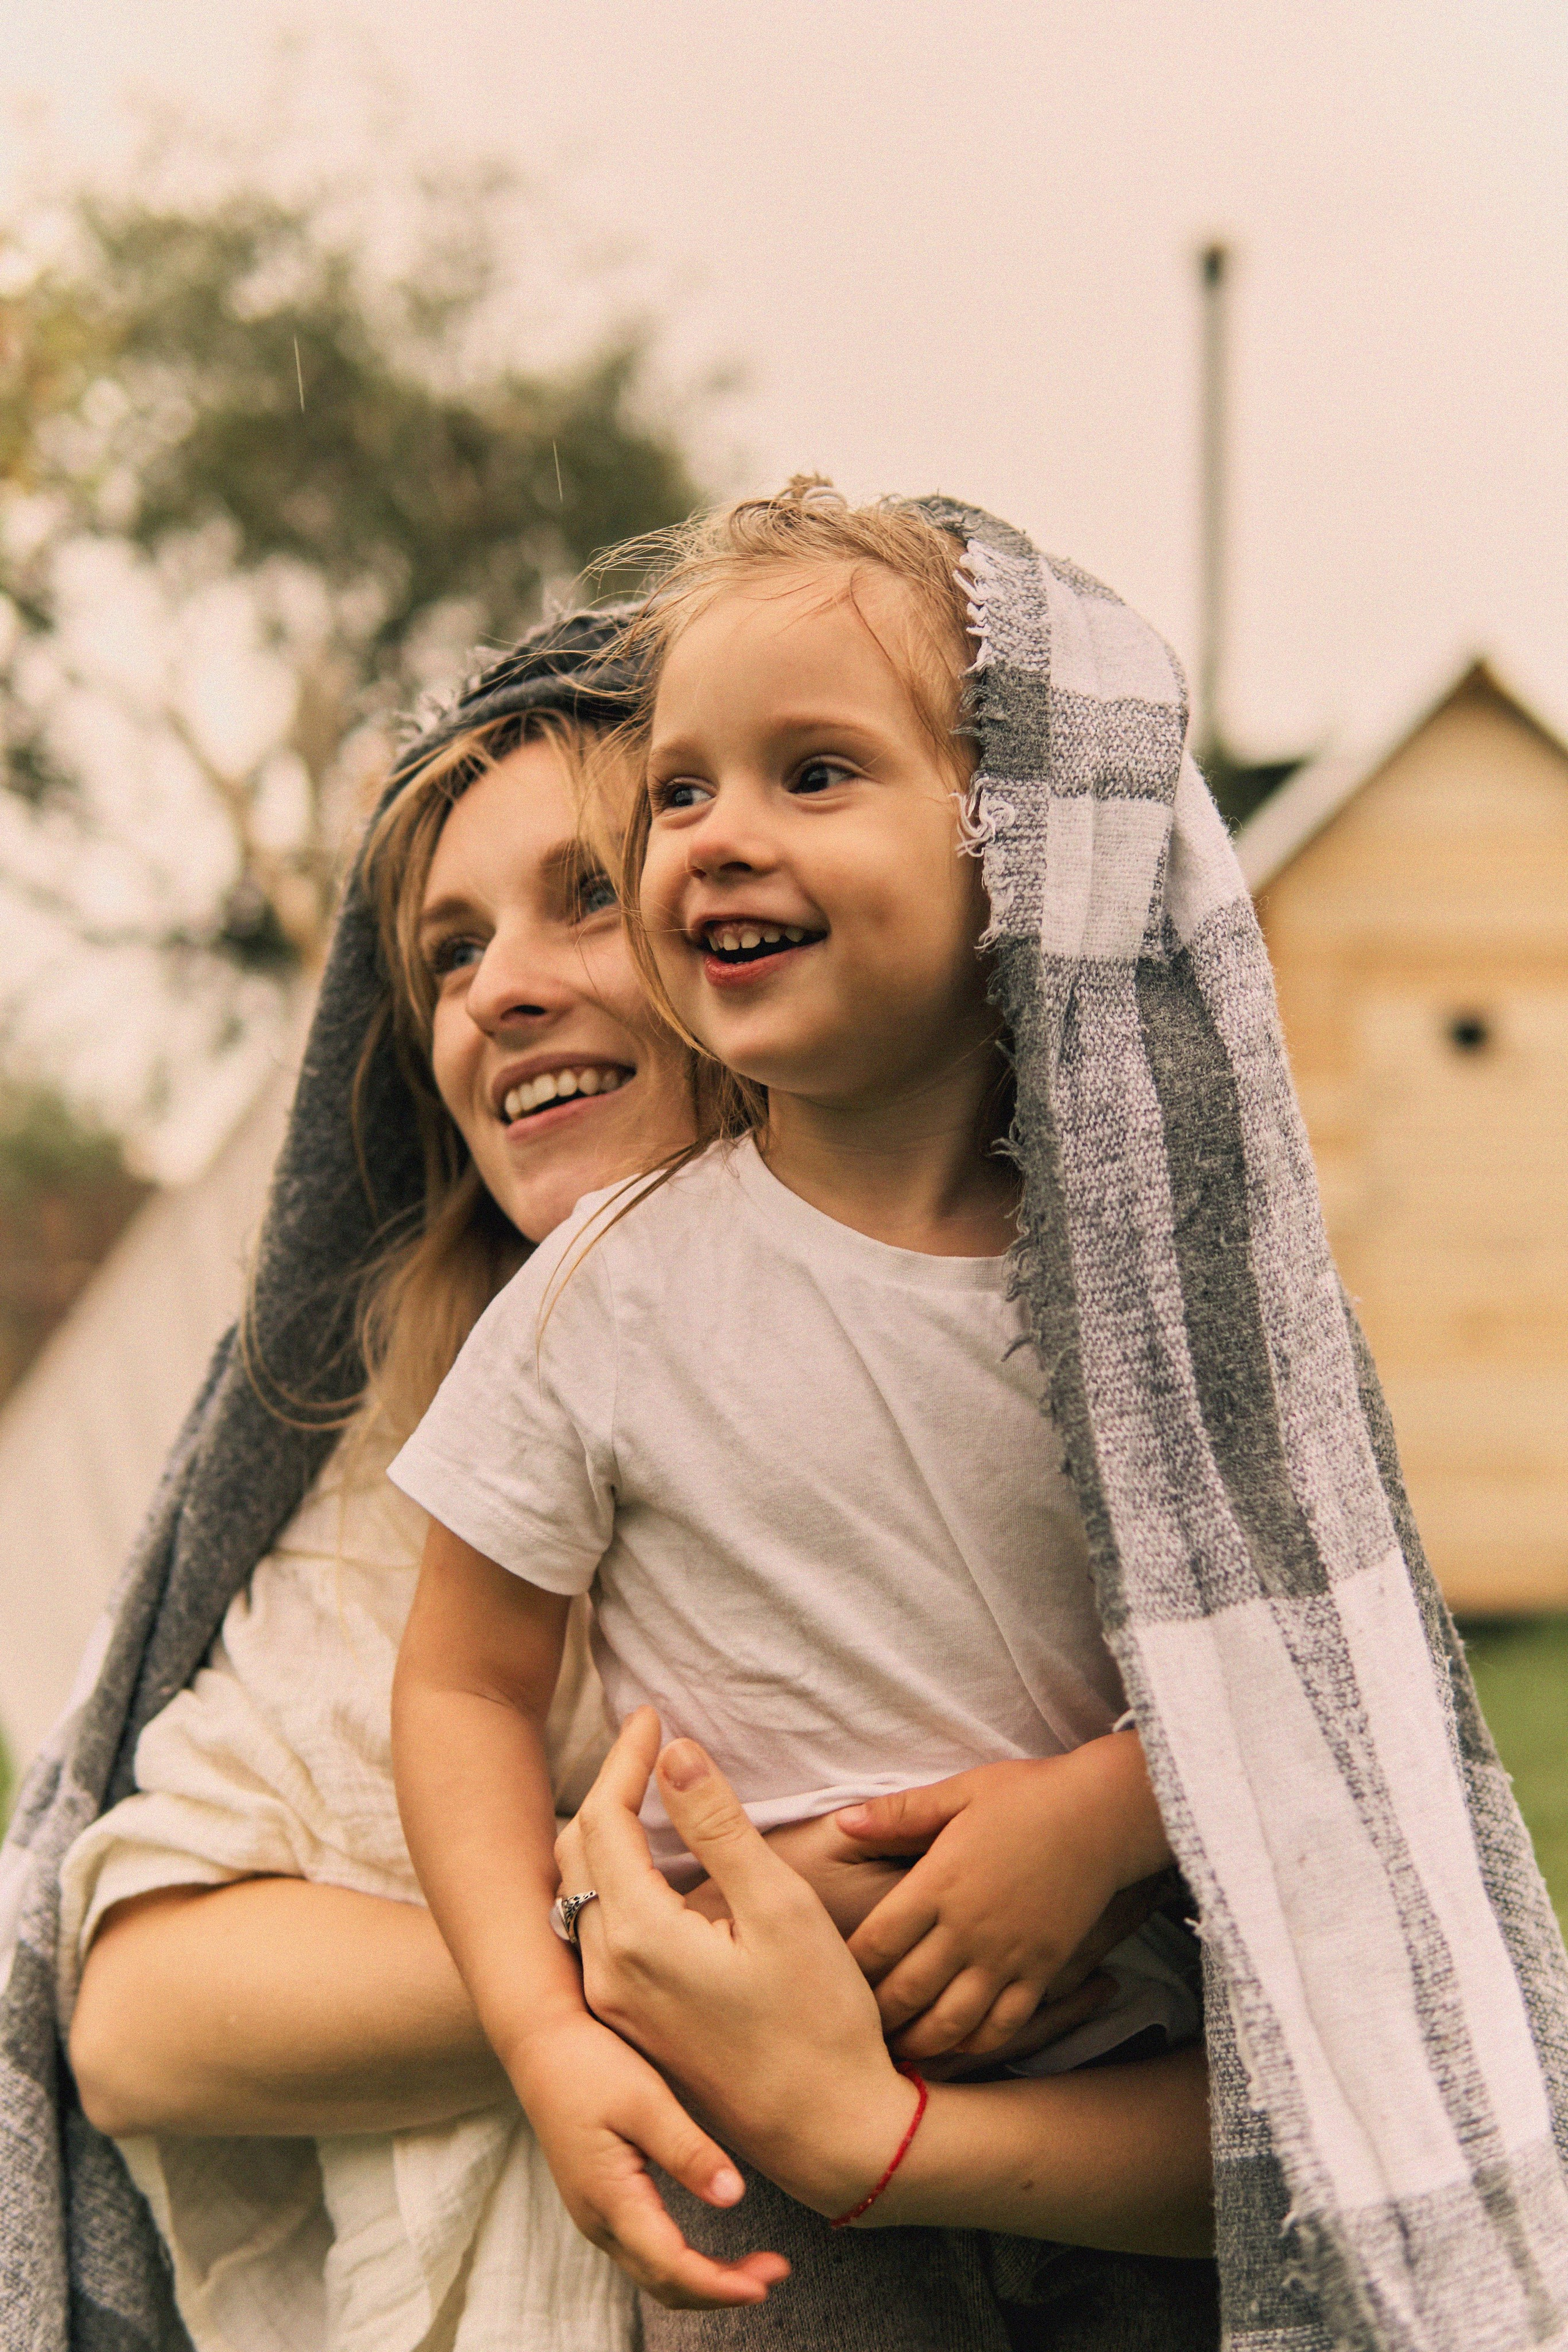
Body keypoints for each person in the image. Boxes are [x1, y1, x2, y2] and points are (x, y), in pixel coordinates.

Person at [390, 484, 1568, 2352]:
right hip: (758, 2135)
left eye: (814, 773)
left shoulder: (1174, 1303)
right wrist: (543, 2029)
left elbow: (1323, 1666)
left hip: (1144, 2088)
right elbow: (459, 1682)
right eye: (678, 794)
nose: (717, 840)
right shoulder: (603, 1300)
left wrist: (1101, 1817)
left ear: (1019, 846)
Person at [0, 614, 696, 2352]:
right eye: (447, 953)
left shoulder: (977, 1405)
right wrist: (628, 1950)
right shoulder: (409, 1460)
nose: (495, 992)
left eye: (584, 895)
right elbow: (143, 2015)